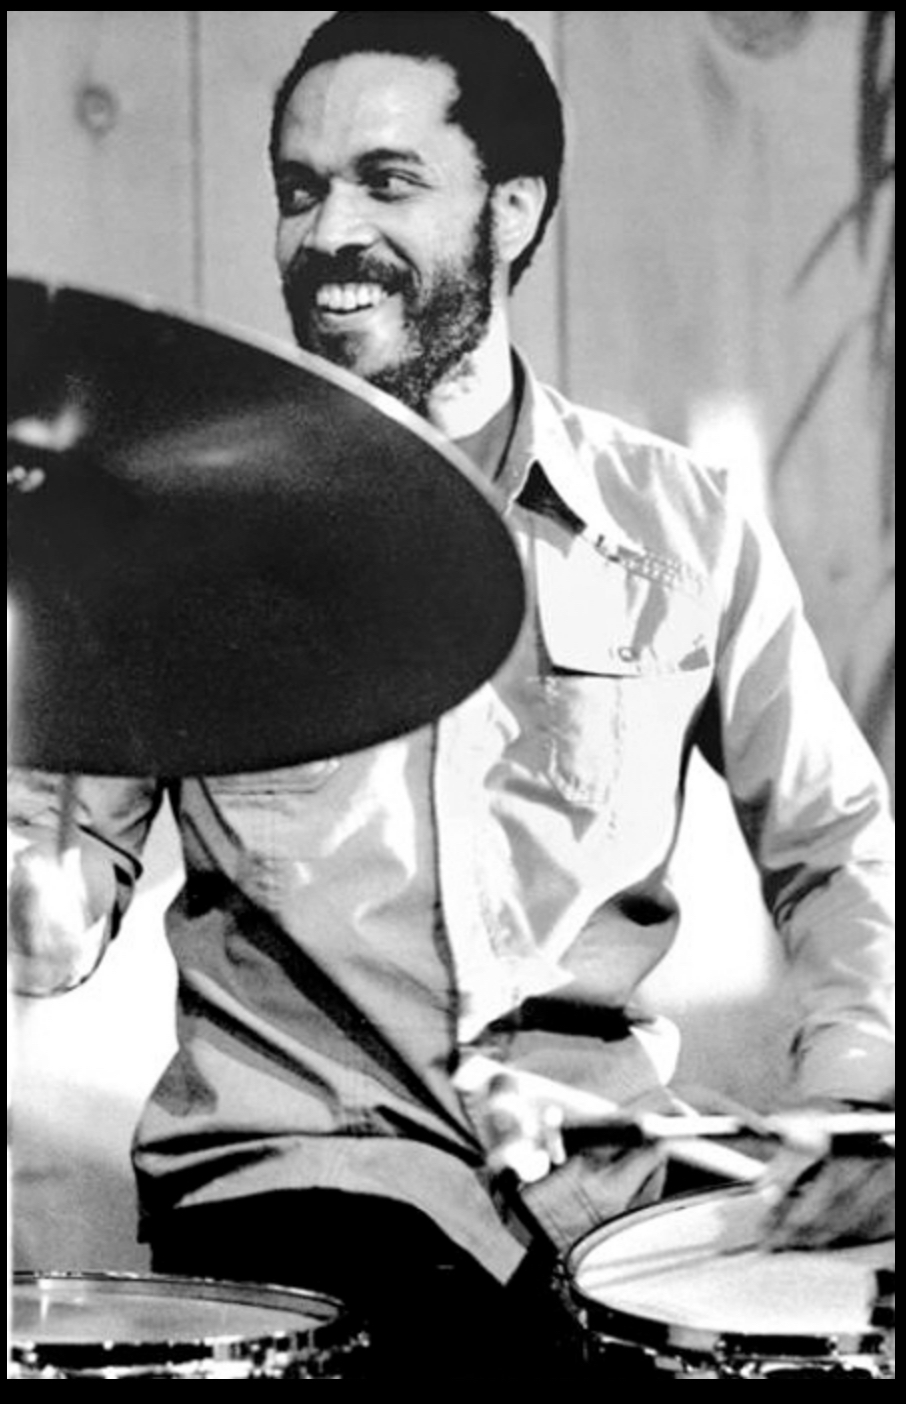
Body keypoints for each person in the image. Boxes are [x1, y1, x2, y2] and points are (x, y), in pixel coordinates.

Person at [7, 10, 895, 1379]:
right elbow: (54, 900)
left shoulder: (679, 523)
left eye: (386, 181)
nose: (327, 232)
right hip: (303, 1191)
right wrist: (37, 896)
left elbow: (836, 841)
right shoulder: (173, 535)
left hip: (603, 1195)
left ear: (512, 209)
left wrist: (853, 1099)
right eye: (299, 189)